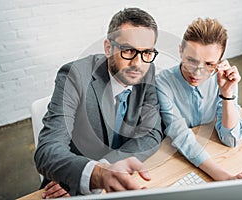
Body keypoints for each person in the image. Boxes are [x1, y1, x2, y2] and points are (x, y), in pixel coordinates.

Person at [34, 7, 164, 198]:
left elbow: (152, 133)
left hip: (114, 179)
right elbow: (47, 150)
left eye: (146, 53)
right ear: (108, 48)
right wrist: (90, 174)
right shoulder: (74, 76)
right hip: (68, 186)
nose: (138, 63)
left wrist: (104, 167)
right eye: (128, 50)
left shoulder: (147, 70)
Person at [156, 18, 242, 181]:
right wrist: (225, 177)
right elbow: (181, 136)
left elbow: (231, 139)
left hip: (212, 153)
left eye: (209, 64)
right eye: (191, 60)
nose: (197, 73)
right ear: (180, 51)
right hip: (177, 159)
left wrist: (227, 94)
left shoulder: (223, 79)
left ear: (220, 61)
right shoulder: (162, 83)